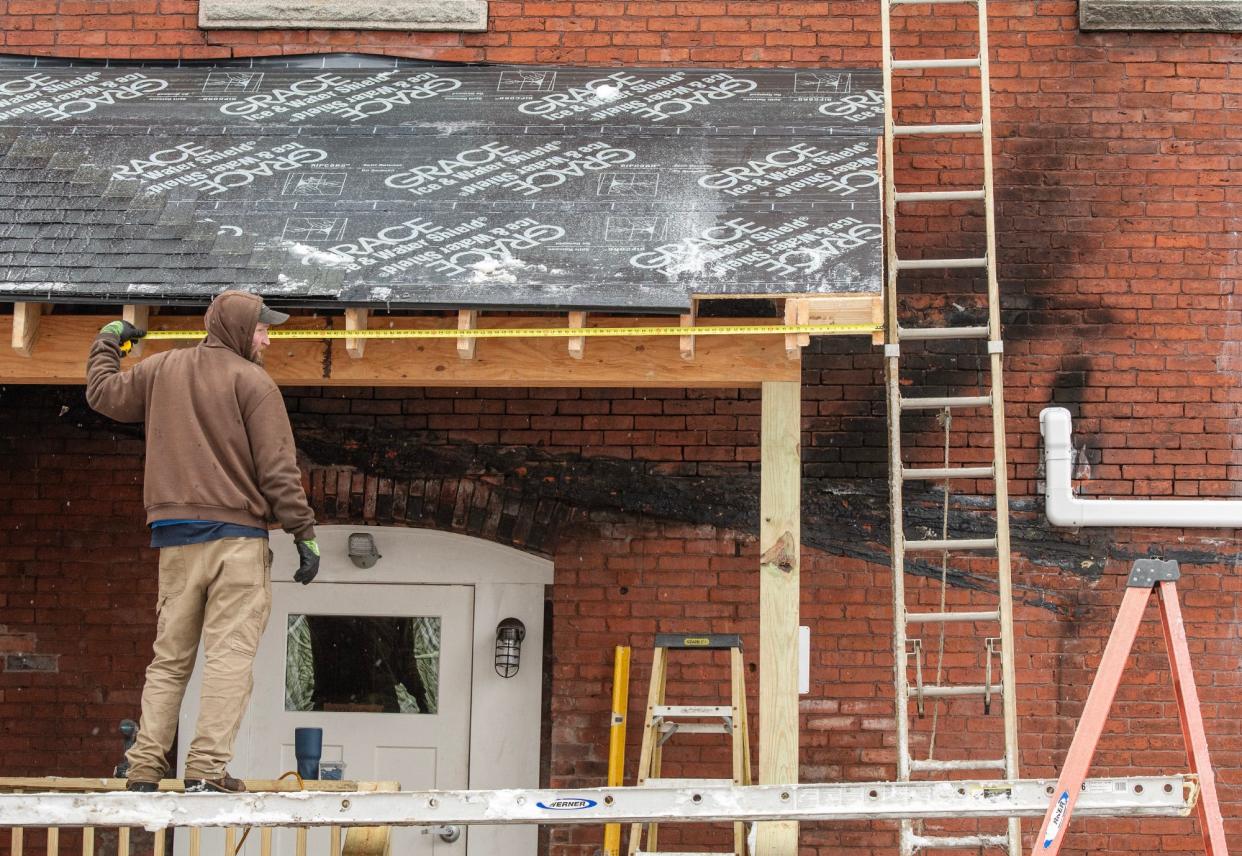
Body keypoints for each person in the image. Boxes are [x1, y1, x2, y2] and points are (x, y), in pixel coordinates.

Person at [86, 290, 321, 794]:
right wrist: (303, 532)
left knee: (169, 659)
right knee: (229, 657)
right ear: (239, 329)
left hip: (173, 543)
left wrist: (108, 341)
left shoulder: (160, 370)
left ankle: (144, 768)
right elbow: (277, 469)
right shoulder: (253, 383)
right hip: (236, 542)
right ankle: (206, 771)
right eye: (261, 329)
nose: (266, 339)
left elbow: (103, 394)